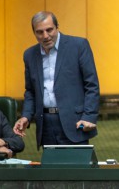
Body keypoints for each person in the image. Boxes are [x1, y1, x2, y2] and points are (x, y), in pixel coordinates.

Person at [13, 11, 100, 148]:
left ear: (57, 27)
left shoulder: (78, 46)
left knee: (76, 169)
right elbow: (30, 91)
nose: (46, 36)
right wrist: (26, 116)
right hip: (45, 125)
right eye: (40, 32)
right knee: (50, 169)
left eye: (49, 30)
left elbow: (91, 85)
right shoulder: (29, 55)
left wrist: (88, 117)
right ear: (34, 33)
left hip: (75, 123)